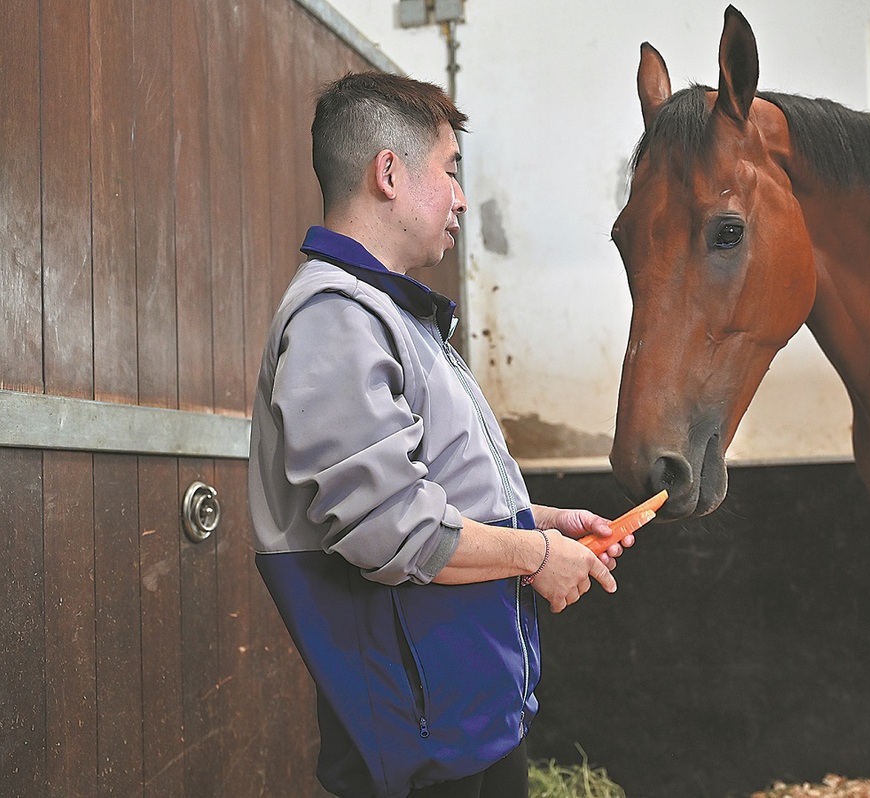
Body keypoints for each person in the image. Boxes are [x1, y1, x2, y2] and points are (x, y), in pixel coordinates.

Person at [248, 71, 633, 798]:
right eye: (450, 170)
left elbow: (434, 492)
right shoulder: (335, 318)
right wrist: (535, 555)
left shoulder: (391, 315)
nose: (460, 196)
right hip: (418, 740)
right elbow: (390, 529)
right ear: (389, 174)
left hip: (462, 721)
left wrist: (540, 521)